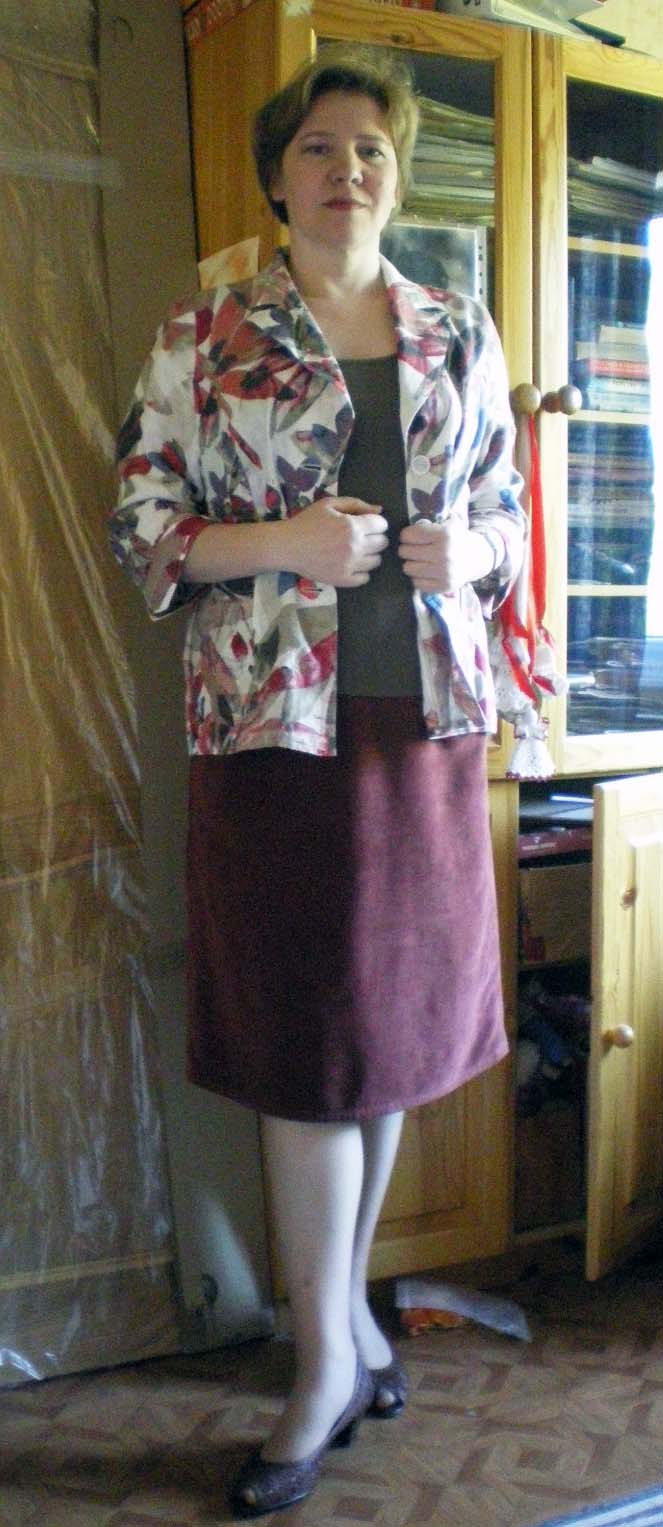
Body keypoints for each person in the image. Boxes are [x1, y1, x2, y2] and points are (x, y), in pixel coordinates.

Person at [110, 44, 526, 1517]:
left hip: (424, 728)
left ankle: (343, 1329)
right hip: (271, 733)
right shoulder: (207, 332)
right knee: (304, 1042)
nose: (349, 170)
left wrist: (474, 551)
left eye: (373, 152)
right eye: (321, 148)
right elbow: (143, 519)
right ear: (277, 179)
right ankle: (322, 1358)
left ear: (394, 184)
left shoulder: (458, 329)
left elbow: (509, 516)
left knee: (388, 1037)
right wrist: (280, 544)